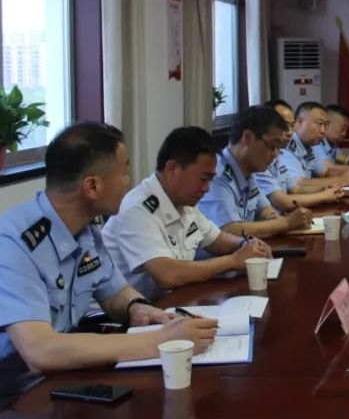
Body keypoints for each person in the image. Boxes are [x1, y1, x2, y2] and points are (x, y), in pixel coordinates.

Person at [0, 123, 217, 412]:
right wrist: (161, 340)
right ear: (92, 186)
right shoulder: (13, 245)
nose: (128, 182)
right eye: (124, 172)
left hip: (33, 392)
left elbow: (115, 293)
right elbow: (40, 351)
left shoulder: (86, 233)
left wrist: (137, 307)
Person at [103, 126, 273, 300]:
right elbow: (167, 275)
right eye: (203, 179)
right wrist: (233, 261)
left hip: (172, 302)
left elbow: (215, 240)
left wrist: (246, 244)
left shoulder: (183, 201)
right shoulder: (137, 208)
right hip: (133, 312)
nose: (206, 188)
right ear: (172, 169)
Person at [197, 106, 315, 238]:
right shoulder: (216, 175)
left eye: (278, 148)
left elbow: (266, 212)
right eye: (272, 146)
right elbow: (229, 231)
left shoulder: (248, 172)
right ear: (247, 137)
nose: (275, 154)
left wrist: (276, 221)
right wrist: (287, 222)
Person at [253, 100, 344, 213]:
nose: (289, 132)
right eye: (282, 125)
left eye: (291, 126)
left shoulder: (278, 153)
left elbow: (294, 189)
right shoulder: (259, 160)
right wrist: (324, 196)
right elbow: (283, 202)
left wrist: (324, 189)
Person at [280, 102, 349, 192]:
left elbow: (324, 172)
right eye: (319, 123)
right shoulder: (286, 145)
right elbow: (297, 185)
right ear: (300, 121)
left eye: (325, 125)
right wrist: (343, 180)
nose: (323, 131)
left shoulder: (309, 145)